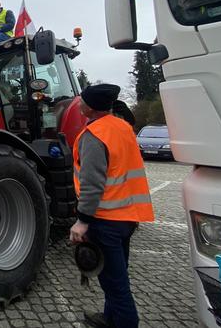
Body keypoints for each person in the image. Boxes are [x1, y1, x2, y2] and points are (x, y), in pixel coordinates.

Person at [69, 84, 155, 328]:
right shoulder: (123, 127)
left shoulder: (94, 136)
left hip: (105, 219)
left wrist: (82, 221)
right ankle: (110, 318)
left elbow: (92, 183)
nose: (79, 103)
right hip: (127, 217)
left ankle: (126, 322)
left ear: (90, 108)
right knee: (115, 274)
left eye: (82, 101)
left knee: (116, 284)